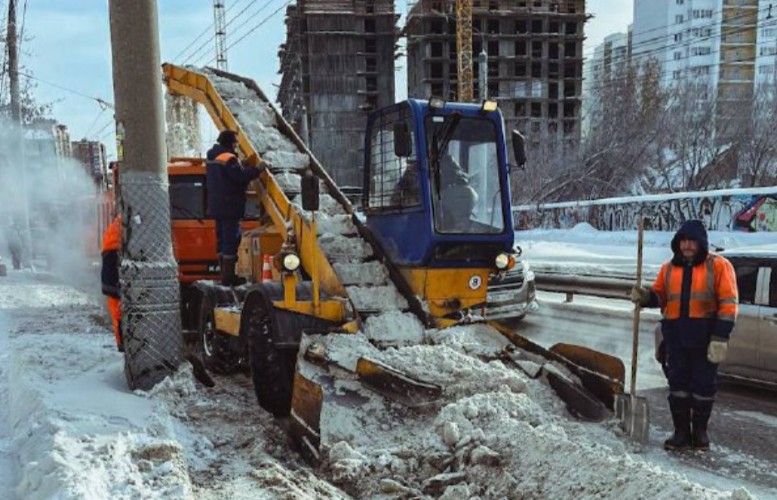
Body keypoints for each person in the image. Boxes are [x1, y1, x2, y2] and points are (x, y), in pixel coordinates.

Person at [631, 219, 738, 452]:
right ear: (677, 243)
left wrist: (720, 337)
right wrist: (646, 297)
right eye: (683, 241)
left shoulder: (718, 266)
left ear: (701, 243)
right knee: (677, 386)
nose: (687, 246)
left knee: (703, 387)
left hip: (705, 339)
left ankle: (699, 433)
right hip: (676, 338)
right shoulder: (668, 268)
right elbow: (660, 295)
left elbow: (728, 304)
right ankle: (681, 433)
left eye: (692, 241)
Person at [206, 130, 263, 286]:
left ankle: (223, 274)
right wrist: (258, 169)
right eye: (235, 142)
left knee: (222, 239)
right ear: (230, 143)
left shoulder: (213, 157)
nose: (237, 145)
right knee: (231, 239)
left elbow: (226, 176)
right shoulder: (229, 158)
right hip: (230, 205)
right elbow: (239, 177)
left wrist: (241, 166)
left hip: (217, 205)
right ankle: (228, 277)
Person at [101, 215, 123, 351]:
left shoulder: (116, 224)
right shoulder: (136, 220)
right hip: (115, 257)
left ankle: (121, 341)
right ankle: (122, 340)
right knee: (117, 306)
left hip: (110, 261)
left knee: (116, 305)